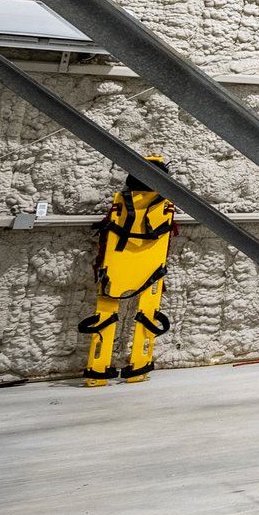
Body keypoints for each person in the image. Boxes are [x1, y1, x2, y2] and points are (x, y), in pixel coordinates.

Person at [80, 159, 176, 385]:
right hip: (150, 264)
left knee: (110, 306)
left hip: (121, 256)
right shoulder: (162, 206)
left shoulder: (122, 202)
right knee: (145, 310)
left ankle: (98, 371)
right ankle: (137, 367)